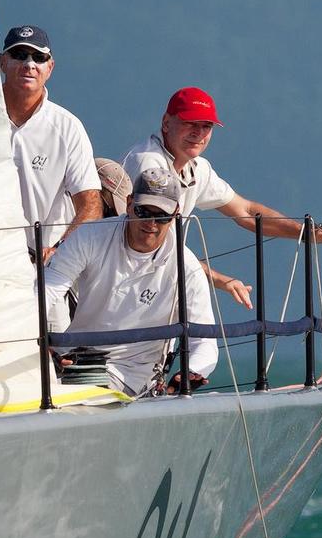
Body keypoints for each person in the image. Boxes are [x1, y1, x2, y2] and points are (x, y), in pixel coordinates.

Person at [121, 87, 322, 310]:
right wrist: (220, 280)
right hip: (123, 286)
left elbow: (245, 211)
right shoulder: (148, 166)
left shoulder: (198, 168)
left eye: (206, 126)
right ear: (166, 122)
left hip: (151, 287)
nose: (199, 133)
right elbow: (154, 244)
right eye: (190, 123)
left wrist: (307, 233)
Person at [44, 169, 218, 397]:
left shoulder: (187, 268)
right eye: (143, 211)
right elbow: (47, 291)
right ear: (128, 204)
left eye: (162, 215)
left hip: (132, 374)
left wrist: (190, 372)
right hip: (72, 359)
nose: (151, 223)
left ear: (176, 215)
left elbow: (205, 342)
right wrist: (40, 346)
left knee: (81, 396)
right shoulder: (90, 237)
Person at [2, 25, 102, 263]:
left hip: (42, 267)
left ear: (50, 68)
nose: (29, 64)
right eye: (19, 55)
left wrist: (60, 249)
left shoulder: (68, 127)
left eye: (38, 57)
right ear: (2, 62)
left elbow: (91, 205)